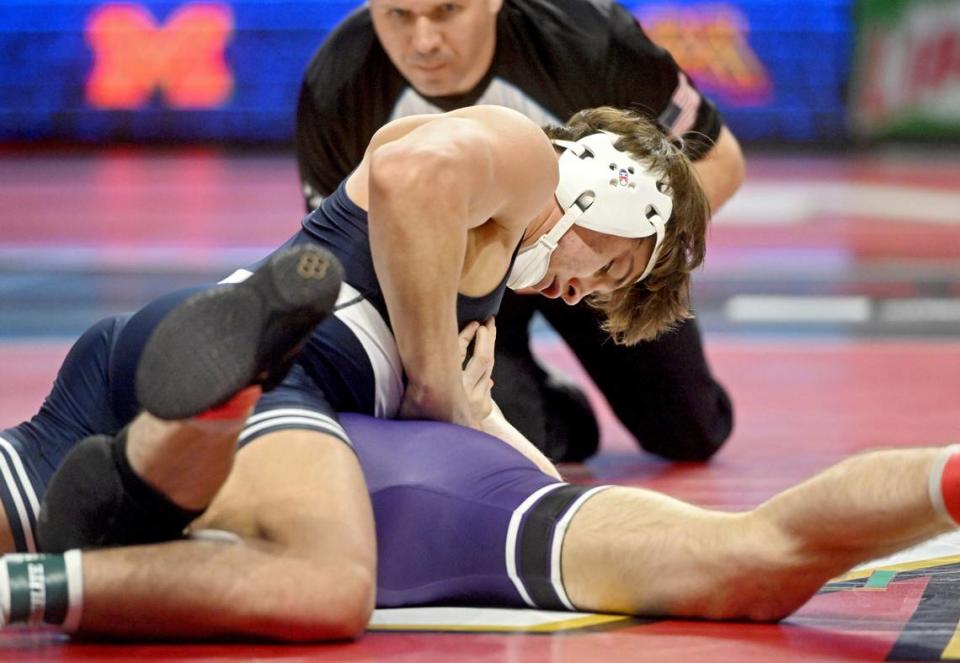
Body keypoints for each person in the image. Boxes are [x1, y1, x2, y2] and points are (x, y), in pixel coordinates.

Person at [0, 105, 709, 636]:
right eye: (612, 265)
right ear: (612, 186)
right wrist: (434, 385)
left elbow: (485, 432)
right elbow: (407, 172)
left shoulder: (475, 275)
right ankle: (37, 581)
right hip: (270, 372)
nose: (582, 293)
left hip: (148, 353)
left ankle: (125, 502)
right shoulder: (527, 156)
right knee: (329, 584)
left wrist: (579, 516)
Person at [2, 277, 959, 640]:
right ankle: (54, 564)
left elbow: (764, 556)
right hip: (299, 413)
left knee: (80, 495)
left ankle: (143, 472)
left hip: (165, 374)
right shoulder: (496, 494)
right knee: (324, 587)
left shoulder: (495, 460)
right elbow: (763, 554)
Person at [295, 0, 746, 461]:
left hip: (588, 246)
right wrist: (437, 378)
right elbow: (352, 246)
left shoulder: (589, 38)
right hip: (453, 273)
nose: (425, 41)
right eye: (399, 16)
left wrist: (621, 257)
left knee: (689, 429)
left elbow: (719, 160)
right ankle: (560, 412)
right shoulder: (339, 80)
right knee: (494, 435)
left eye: (447, 11)